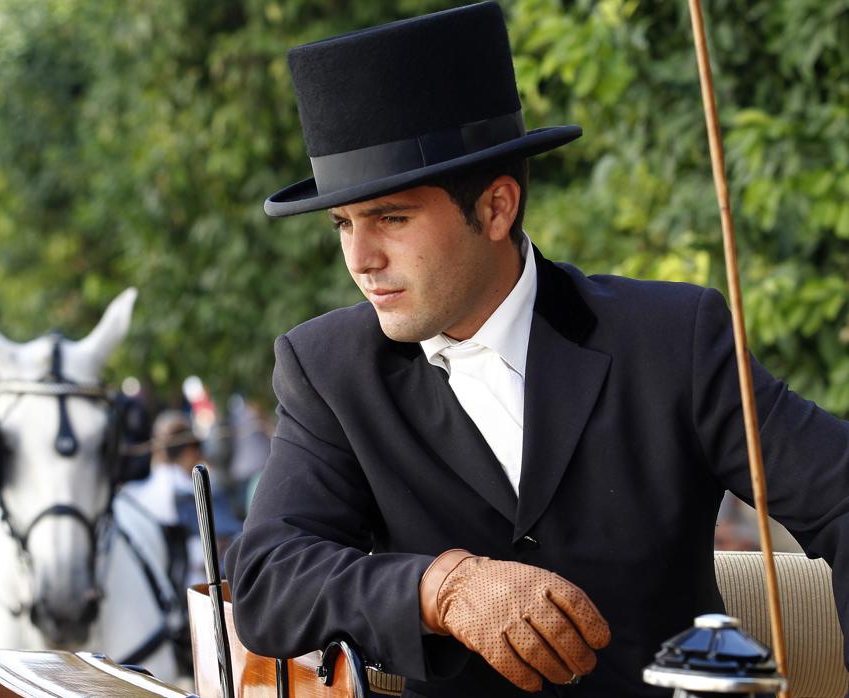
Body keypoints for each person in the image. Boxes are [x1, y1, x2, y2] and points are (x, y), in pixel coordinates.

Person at [223, 3, 849, 697]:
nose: (360, 258)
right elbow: (267, 578)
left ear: (495, 208)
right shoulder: (327, 368)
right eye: (342, 224)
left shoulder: (673, 336)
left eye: (390, 219)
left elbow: (841, 497)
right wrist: (443, 586)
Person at [122, 410, 242, 590]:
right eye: (196, 449)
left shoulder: (132, 494)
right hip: (194, 587)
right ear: (188, 451)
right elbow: (228, 535)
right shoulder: (187, 489)